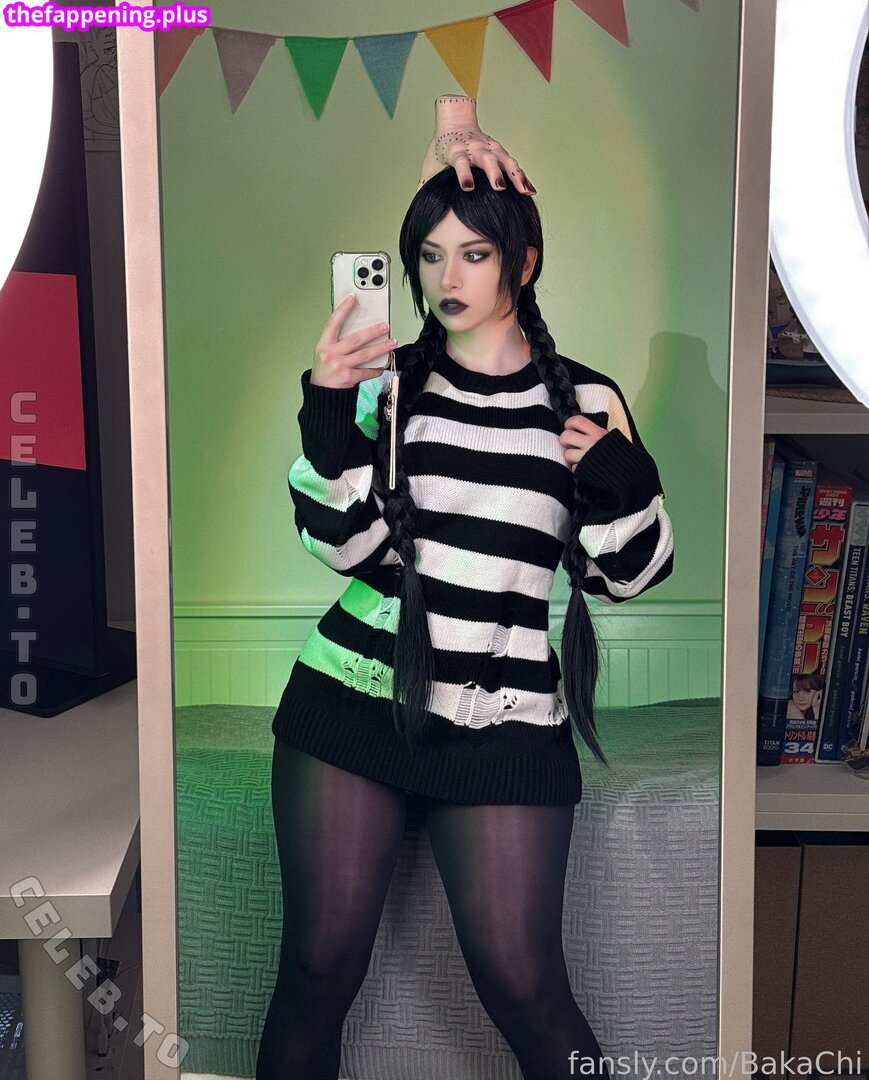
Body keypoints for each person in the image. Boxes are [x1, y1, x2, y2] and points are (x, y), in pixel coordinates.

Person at [256, 96, 674, 1080]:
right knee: (315, 974)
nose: (447, 278)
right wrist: (329, 409)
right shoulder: (388, 383)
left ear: (522, 264)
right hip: (351, 700)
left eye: (474, 254)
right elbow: (345, 547)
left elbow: (627, 575)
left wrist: (621, 477)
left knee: (527, 991)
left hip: (505, 721)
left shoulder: (585, 399)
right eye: (431, 255)